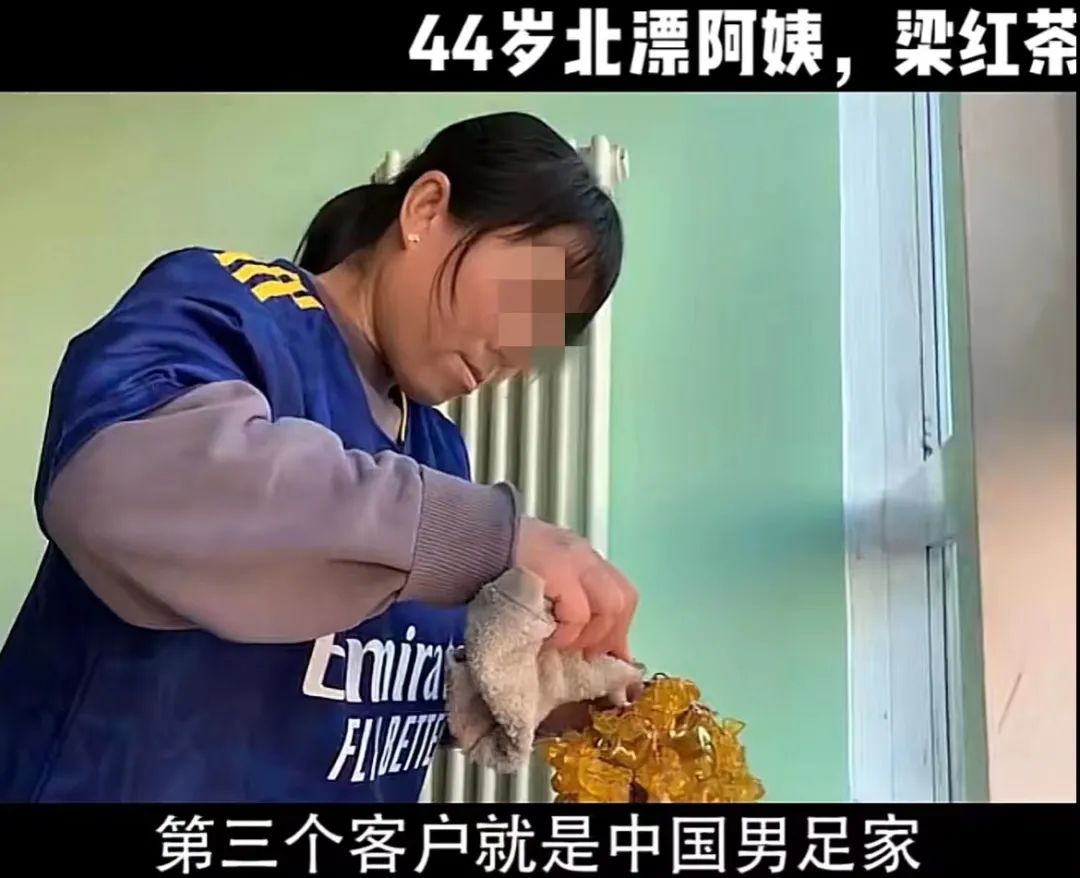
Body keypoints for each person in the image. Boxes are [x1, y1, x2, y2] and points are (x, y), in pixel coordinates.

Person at [0, 111, 637, 803]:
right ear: (425, 209)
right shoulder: (227, 307)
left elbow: (361, 680)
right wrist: (489, 536)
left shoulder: (439, 450)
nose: (521, 353)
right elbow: (118, 487)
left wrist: (547, 697)